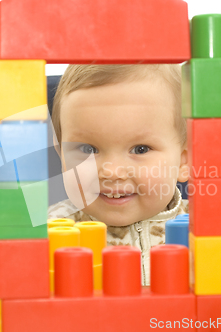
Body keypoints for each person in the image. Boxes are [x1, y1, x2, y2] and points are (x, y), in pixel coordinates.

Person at [48, 64, 189, 286]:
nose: (112, 172)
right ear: (62, 157)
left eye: (140, 149)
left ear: (184, 160)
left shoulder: (207, 230)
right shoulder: (48, 235)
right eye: (88, 149)